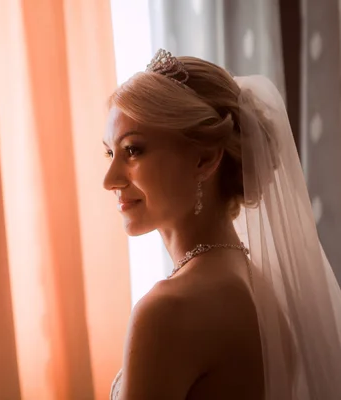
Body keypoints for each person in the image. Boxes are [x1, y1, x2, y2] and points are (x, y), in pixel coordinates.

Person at [103, 49, 341, 399]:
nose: (109, 180)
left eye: (133, 150)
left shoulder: (167, 311)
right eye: (110, 152)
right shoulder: (257, 286)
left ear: (205, 158)